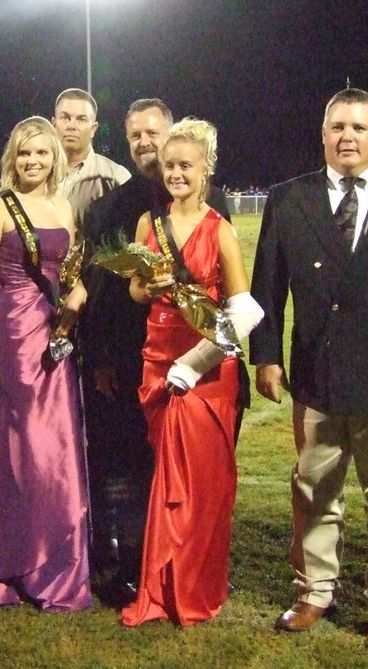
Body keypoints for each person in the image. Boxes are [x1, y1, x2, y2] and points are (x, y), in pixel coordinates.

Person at [248, 88, 368, 648]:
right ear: (323, 135)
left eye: (359, 127)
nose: (347, 136)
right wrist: (266, 355)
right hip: (316, 374)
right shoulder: (288, 198)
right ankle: (314, 590)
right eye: (337, 126)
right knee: (315, 489)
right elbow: (266, 286)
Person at [80, 97, 233, 605]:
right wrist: (101, 357)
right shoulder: (114, 209)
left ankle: (190, 567)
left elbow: (234, 298)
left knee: (193, 472)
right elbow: (101, 293)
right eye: (136, 137)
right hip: (133, 363)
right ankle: (130, 565)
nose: (146, 144)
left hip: (201, 363)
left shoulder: (220, 207)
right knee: (131, 469)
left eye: (154, 134)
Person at [0, 116, 91, 613]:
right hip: (10, 339)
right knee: (11, 453)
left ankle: (50, 565)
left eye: (41, 154)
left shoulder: (62, 206)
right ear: (13, 157)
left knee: (54, 452)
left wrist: (78, 292)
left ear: (55, 158)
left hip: (54, 343)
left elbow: (67, 274)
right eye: (24, 153)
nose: (32, 162)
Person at [120, 118, 262, 626]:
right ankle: (160, 585)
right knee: (165, 478)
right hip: (156, 362)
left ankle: (193, 589)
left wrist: (194, 363)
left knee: (201, 485)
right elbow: (135, 291)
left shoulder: (221, 229)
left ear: (207, 171)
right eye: (169, 166)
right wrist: (148, 289)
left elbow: (245, 313)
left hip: (204, 371)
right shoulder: (146, 224)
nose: (176, 174)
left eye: (186, 166)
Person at [52, 88, 130, 226]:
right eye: (65, 118)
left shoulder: (115, 177)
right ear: (53, 124)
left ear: (93, 129)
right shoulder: (36, 173)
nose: (71, 126)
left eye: (81, 119)